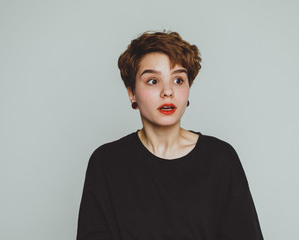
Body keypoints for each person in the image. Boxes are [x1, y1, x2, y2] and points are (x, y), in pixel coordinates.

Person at [77, 31, 264, 240]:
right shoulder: (106, 162)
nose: (168, 91)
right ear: (132, 93)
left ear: (188, 89)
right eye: (152, 81)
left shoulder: (220, 159)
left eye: (178, 80)